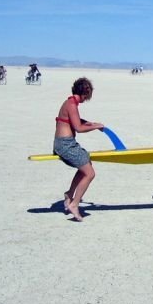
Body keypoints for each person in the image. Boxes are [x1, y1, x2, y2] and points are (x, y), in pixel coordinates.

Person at [53, 77, 104, 221]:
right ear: (85, 92)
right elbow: (78, 128)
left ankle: (69, 194)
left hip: (66, 142)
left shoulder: (70, 102)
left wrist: (92, 123)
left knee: (86, 163)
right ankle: (74, 204)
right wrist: (95, 127)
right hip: (65, 144)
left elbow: (77, 120)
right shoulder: (71, 104)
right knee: (90, 173)